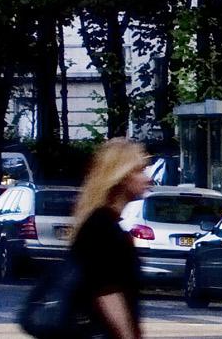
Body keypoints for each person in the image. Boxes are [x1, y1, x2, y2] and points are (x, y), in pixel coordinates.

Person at [65, 140, 151, 339]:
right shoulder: (102, 227)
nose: (147, 178)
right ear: (120, 176)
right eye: (139, 171)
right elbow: (107, 293)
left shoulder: (104, 223)